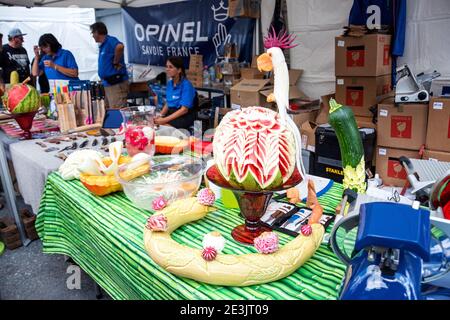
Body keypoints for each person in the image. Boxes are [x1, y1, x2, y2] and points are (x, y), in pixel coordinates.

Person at [90, 22, 129, 108]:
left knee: (118, 110)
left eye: (92, 33)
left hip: (116, 84)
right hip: (108, 84)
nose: (92, 35)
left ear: (97, 32)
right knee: (110, 110)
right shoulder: (103, 45)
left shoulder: (110, 40)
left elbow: (120, 46)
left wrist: (115, 62)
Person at [154, 56, 196, 130]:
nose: (167, 69)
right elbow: (168, 103)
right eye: (166, 66)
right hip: (172, 114)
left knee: (161, 129)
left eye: (171, 67)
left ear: (179, 70)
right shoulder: (170, 83)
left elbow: (184, 110)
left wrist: (164, 120)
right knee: (154, 124)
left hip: (184, 116)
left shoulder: (186, 85)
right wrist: (160, 115)